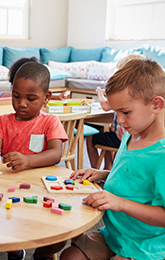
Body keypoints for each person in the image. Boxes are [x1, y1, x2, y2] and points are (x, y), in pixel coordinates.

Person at [60, 57, 165, 259]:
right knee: (69, 256)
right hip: (115, 234)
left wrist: (120, 203)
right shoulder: (131, 134)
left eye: (125, 112)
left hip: (145, 247)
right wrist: (102, 173)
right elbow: (134, 178)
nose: (119, 120)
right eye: (117, 112)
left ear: (156, 104)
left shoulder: (161, 157)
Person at [0, 61, 68, 171]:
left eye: (30, 99)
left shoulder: (50, 122)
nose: (22, 104)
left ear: (46, 97)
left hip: (39, 179)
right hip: (10, 179)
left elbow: (55, 154)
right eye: (16, 96)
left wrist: (27, 160)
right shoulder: (4, 121)